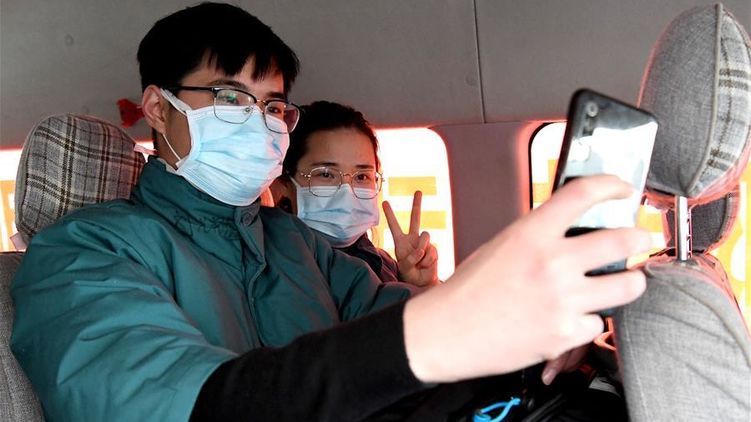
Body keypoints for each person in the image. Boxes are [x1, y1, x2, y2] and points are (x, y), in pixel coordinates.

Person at [10, 3, 650, 421]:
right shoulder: (81, 255)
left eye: (273, 106)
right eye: (231, 97)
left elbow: (387, 315)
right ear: (158, 108)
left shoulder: (294, 243)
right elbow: (180, 404)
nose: (260, 123)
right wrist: (428, 337)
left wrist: (526, 337)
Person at [270, 100, 438, 286]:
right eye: (326, 174)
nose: (347, 193)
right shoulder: (275, 270)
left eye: (361, 177)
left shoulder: (384, 263)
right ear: (285, 183)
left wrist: (423, 284)